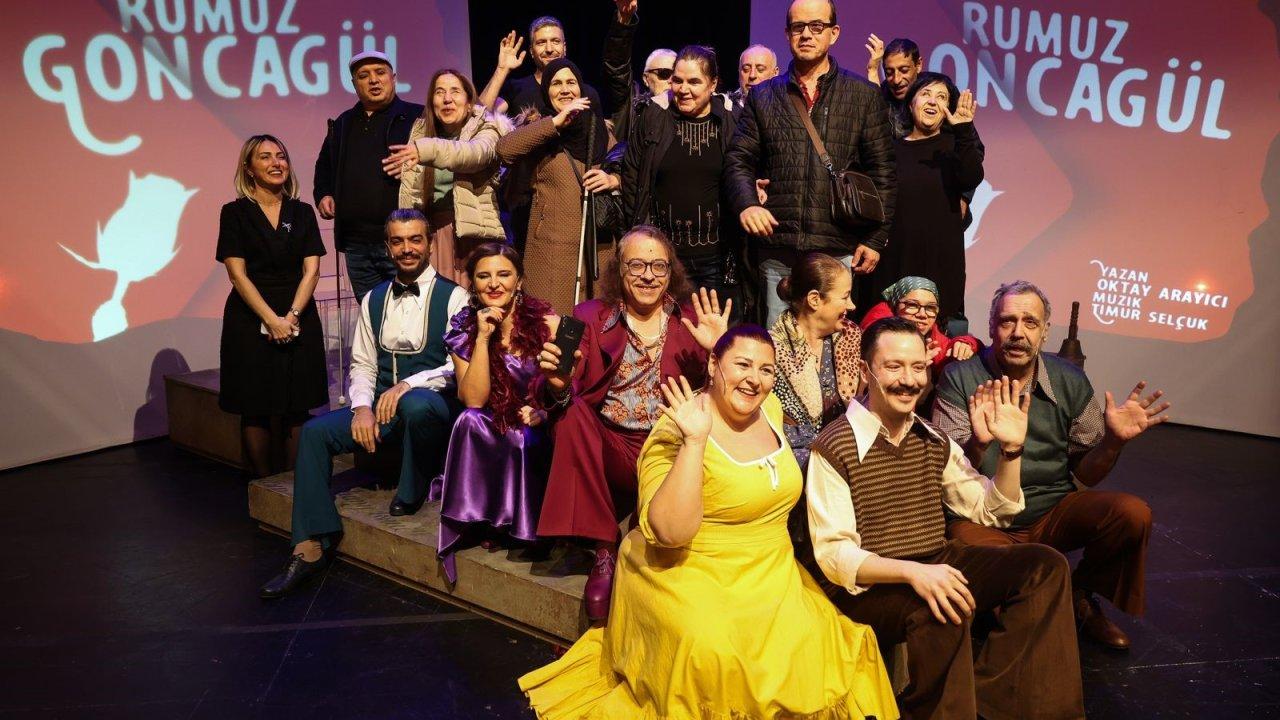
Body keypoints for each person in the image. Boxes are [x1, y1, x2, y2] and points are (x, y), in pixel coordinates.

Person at [519, 325, 898, 719]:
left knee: (817, 643)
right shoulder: (678, 429)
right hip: (687, 570)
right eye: (742, 365)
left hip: (770, 571)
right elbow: (670, 534)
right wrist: (695, 442)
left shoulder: (769, 409)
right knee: (713, 653)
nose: (755, 379)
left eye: (766, 369)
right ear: (714, 365)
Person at [808, 316, 1085, 720]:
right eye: (894, 367)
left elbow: (991, 510)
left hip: (932, 561)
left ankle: (999, 703)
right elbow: (836, 557)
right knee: (940, 607)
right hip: (869, 588)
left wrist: (1011, 451)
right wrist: (913, 574)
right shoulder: (833, 446)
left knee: (1044, 566)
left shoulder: (932, 439)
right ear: (866, 372)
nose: (909, 380)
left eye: (918, 367)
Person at [933, 281, 1170, 650]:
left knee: (1131, 513)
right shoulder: (960, 378)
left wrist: (1113, 442)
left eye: (1030, 322)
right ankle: (1020, 607)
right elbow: (944, 472)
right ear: (992, 326)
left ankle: (1080, 595)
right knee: (1008, 598)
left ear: (1045, 331)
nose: (1018, 332)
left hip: (1049, 513)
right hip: (982, 518)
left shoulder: (1069, 380)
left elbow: (1086, 473)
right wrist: (979, 443)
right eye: (1007, 321)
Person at [259, 209, 468, 599]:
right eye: (398, 241)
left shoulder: (455, 296)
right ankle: (310, 543)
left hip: (435, 406)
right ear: (388, 247)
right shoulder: (374, 298)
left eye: (415, 239)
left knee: (417, 405)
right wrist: (362, 407)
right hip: (383, 407)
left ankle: (411, 489)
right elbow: (363, 363)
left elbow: (456, 367)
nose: (407, 249)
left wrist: (406, 384)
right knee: (315, 433)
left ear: (428, 244)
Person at [534, 225, 730, 621]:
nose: (648, 276)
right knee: (571, 413)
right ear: (619, 269)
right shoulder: (591, 316)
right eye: (636, 265)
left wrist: (717, 354)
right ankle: (604, 546)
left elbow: (722, 400)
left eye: (658, 266)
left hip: (668, 447)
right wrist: (558, 383)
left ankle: (649, 528)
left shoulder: (692, 320)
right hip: (610, 444)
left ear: (671, 272)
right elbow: (560, 384)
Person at [725, 0, 896, 326]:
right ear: (787, 33)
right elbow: (738, 159)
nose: (806, 34)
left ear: (834, 33)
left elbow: (884, 172)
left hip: (837, 249)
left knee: (830, 348)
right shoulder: (764, 95)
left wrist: (875, 239)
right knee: (779, 346)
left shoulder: (862, 95)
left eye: (816, 26)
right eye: (798, 27)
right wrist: (746, 203)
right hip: (779, 247)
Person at [433, 244, 558, 583]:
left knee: (522, 436)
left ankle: (525, 528)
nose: (494, 283)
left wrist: (545, 412)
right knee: (468, 421)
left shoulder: (548, 323)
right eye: (483, 276)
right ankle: (482, 519)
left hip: (537, 423)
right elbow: (473, 399)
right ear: (472, 283)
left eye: (504, 274)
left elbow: (567, 389)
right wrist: (483, 339)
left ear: (519, 280)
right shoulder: (463, 327)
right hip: (492, 422)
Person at [216, 134, 328, 479]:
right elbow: (237, 275)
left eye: (281, 156)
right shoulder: (234, 213)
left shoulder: (302, 212)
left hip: (299, 312)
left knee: (298, 405)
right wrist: (271, 320)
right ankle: (264, 489)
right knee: (255, 407)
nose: (276, 163)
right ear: (249, 168)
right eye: (265, 157)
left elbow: (312, 270)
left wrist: (291, 316)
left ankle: (296, 492)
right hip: (250, 317)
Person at [494, 58, 620, 314]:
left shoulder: (599, 131)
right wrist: (555, 123)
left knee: (596, 323)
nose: (565, 89)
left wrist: (613, 180)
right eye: (556, 83)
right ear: (546, 91)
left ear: (581, 89)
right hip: (551, 249)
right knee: (550, 324)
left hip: (598, 247)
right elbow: (504, 150)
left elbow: (626, 168)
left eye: (571, 82)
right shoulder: (539, 130)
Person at [620, 45, 740, 315]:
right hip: (663, 259)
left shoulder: (731, 119)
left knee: (714, 333)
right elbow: (632, 176)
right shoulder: (654, 116)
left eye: (694, 82)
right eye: (677, 80)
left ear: (713, 84)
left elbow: (744, 170)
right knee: (665, 332)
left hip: (716, 259)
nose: (683, 89)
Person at [382, 68, 511, 285]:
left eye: (455, 92)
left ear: (469, 103)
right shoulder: (420, 131)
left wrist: (425, 150)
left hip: (472, 237)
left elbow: (472, 155)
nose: (447, 99)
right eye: (439, 92)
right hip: (432, 236)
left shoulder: (486, 128)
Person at [314, 51, 424, 298]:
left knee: (411, 311)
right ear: (354, 84)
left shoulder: (418, 117)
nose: (373, 80)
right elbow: (324, 166)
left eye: (380, 73)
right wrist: (324, 194)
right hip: (357, 244)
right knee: (371, 312)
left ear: (393, 78)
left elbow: (439, 163)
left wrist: (413, 168)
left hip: (402, 238)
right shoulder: (343, 122)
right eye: (364, 76)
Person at [768, 252, 861, 471]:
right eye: (845, 297)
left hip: (845, 458)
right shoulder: (771, 350)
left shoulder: (852, 340)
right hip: (790, 463)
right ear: (815, 300)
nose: (852, 306)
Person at [860, 276, 980, 381]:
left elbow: (949, 349)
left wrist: (966, 343)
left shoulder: (932, 334)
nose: (922, 314)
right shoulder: (877, 331)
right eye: (912, 305)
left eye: (930, 307)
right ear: (895, 305)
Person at [864, 36, 922, 139]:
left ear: (918, 65)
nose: (896, 80)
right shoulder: (880, 94)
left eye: (904, 70)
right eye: (889, 73)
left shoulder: (935, 93)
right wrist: (872, 70)